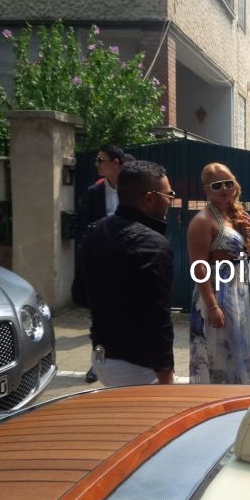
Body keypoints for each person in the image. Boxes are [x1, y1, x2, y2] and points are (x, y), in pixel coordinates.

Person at [81, 160, 175, 386]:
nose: (170, 202)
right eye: (169, 195)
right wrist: (166, 377)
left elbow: (80, 294)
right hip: (137, 367)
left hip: (101, 356)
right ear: (149, 198)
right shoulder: (152, 245)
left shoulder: (96, 230)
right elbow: (158, 319)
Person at [187, 163, 250, 384]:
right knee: (218, 354)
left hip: (238, 293)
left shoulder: (236, 214)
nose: (225, 189)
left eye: (228, 183)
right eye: (217, 185)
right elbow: (198, 267)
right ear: (206, 190)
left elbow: (247, 252)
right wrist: (212, 307)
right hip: (217, 293)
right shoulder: (202, 221)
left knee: (238, 352)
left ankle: (237, 394)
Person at [82, 144, 134, 383]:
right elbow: (89, 226)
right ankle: (98, 362)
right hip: (103, 259)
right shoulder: (94, 191)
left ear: (116, 162)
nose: (97, 164)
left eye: (100, 160)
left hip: (130, 258)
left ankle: (129, 357)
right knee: (100, 315)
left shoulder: (133, 188)